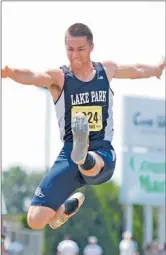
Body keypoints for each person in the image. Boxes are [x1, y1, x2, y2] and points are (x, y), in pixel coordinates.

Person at [2, 23, 165, 230]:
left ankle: (84, 156)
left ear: (91, 48)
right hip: (68, 153)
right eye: (70, 50)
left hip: (101, 151)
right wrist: (9, 72)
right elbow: (33, 76)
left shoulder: (105, 71)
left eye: (80, 49)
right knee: (35, 220)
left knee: (90, 161)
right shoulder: (59, 78)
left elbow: (136, 70)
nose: (75, 55)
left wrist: (156, 70)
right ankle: (63, 210)